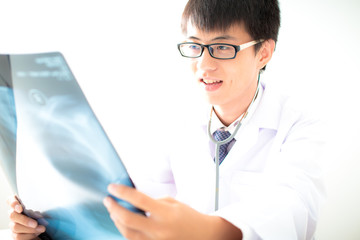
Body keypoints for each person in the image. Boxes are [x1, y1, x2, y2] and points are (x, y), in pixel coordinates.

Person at [7, 0, 326, 239]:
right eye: (195, 47)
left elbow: (293, 205)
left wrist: (208, 230)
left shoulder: (299, 123)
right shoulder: (176, 117)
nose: (204, 64)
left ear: (264, 53)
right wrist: (48, 225)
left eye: (222, 47)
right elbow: (143, 202)